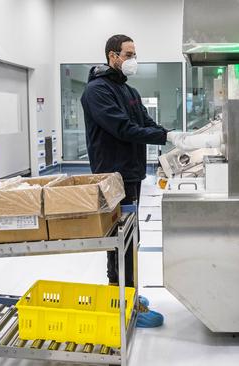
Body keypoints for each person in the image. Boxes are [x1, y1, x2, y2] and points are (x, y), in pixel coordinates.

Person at [81, 34, 169, 328]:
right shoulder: (97, 91)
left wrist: (174, 136)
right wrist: (163, 137)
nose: (133, 60)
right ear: (112, 56)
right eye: (128, 54)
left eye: (134, 54)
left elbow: (144, 122)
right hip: (112, 178)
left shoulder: (129, 90)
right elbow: (122, 128)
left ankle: (127, 295)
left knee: (131, 238)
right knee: (119, 239)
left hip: (131, 175)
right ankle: (123, 302)